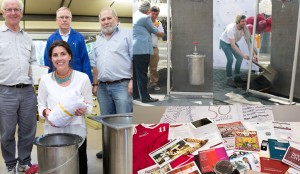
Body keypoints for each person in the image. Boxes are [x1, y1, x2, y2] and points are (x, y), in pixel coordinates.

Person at [37, 40, 93, 174]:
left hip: (76, 133)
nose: (59, 58)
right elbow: (40, 106)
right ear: (51, 58)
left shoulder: (82, 78)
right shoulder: (45, 80)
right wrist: (46, 112)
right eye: (55, 55)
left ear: (70, 56)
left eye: (63, 54)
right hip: (53, 133)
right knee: (56, 168)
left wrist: (83, 109)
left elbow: (90, 106)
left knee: (78, 167)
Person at [90, 7, 133, 158]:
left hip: (122, 85)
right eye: (103, 19)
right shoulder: (98, 40)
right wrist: (95, 84)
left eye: (109, 18)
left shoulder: (127, 34)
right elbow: (95, 65)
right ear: (100, 22)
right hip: (102, 87)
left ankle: (125, 153)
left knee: (123, 122)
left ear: (116, 19)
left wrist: (133, 80)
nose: (106, 22)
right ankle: (109, 150)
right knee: (107, 122)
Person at [0, 0, 38, 173]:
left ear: (21, 13)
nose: (13, 12)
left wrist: (39, 73)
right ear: (3, 12)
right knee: (7, 132)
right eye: (9, 9)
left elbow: (33, 62)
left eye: (17, 9)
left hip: (28, 91)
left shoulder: (28, 38)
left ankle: (24, 161)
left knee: (28, 130)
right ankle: (10, 164)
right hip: (5, 91)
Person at [44, 7, 93, 82]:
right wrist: (49, 81)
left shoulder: (79, 37)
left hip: (77, 79)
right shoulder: (51, 39)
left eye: (67, 17)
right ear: (57, 20)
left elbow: (85, 60)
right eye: (61, 17)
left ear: (71, 19)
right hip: (58, 80)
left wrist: (89, 81)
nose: (64, 20)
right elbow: (48, 62)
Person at [132, 1, 164, 103]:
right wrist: (160, 33)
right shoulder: (145, 18)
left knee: (136, 74)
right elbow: (155, 31)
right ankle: (145, 97)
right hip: (143, 49)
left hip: (135, 49)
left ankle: (136, 95)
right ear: (147, 10)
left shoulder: (135, 15)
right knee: (142, 74)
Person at [219, 14, 258, 87]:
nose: (245, 23)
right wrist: (243, 55)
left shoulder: (245, 28)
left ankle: (237, 77)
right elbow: (233, 45)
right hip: (225, 43)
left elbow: (249, 41)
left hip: (233, 43)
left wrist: (254, 54)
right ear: (238, 21)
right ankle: (229, 79)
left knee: (239, 58)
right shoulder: (231, 29)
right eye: (243, 21)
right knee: (230, 59)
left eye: (245, 21)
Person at [148, 6, 164, 91]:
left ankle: (153, 83)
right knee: (142, 67)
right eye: (153, 14)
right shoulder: (144, 21)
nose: (154, 16)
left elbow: (162, 34)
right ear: (149, 12)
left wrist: (155, 30)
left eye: (156, 14)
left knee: (153, 67)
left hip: (154, 48)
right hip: (143, 48)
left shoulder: (158, 23)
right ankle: (142, 85)